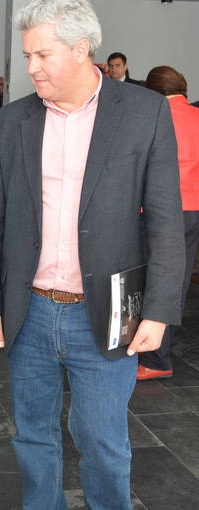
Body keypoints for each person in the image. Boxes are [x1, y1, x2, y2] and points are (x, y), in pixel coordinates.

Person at [0, 1, 185, 509]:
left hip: (110, 312)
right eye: (27, 56)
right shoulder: (11, 122)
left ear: (82, 48)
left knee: (103, 444)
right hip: (30, 311)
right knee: (32, 438)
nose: (31, 68)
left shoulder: (143, 112)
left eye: (42, 55)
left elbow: (165, 223)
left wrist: (158, 312)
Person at [139, 66, 199, 379]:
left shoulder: (155, 117)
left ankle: (154, 358)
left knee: (153, 280)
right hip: (193, 211)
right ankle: (162, 355)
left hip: (159, 210)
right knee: (178, 281)